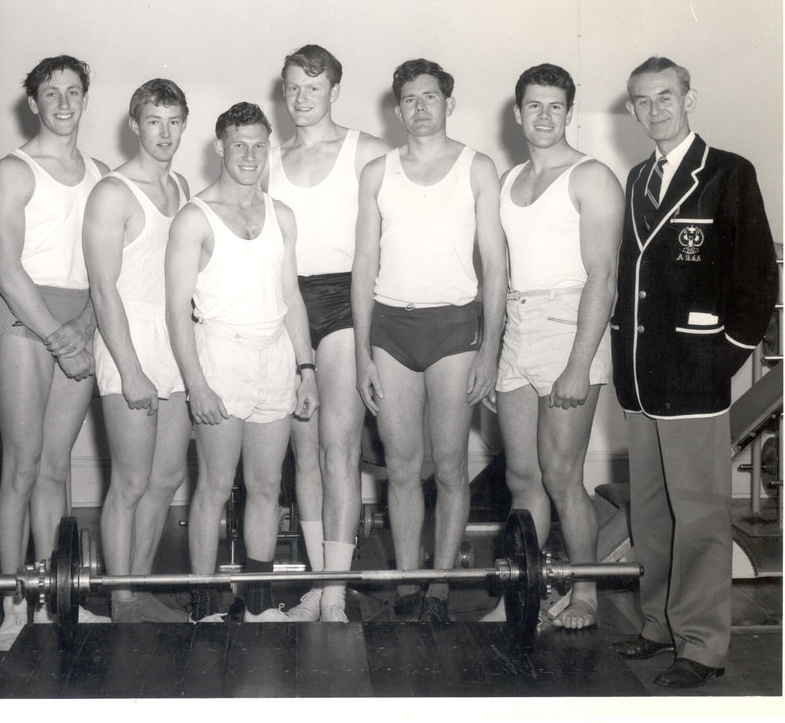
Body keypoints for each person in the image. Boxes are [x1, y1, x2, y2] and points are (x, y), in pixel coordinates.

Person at [610, 57, 777, 688]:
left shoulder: (729, 173)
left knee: (701, 515)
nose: (655, 110)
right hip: (639, 379)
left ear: (689, 99)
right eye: (642, 101)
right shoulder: (633, 179)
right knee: (651, 513)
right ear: (631, 109)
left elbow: (759, 279)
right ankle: (658, 626)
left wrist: (723, 355)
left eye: (666, 98)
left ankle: (702, 645)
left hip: (696, 376)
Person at [352, 59, 506, 623]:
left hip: (453, 330)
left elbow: (495, 264)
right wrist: (363, 351)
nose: (420, 107)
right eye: (410, 99)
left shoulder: (477, 168)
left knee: (448, 466)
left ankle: (439, 585)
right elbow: (364, 265)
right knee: (401, 465)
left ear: (448, 104)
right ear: (397, 110)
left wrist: (490, 349)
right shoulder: (377, 172)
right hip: (392, 329)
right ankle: (409, 580)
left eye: (431, 97)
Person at [165, 102, 319, 623]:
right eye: (239, 145)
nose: (249, 155)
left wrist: (306, 369)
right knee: (213, 485)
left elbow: (292, 297)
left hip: (274, 354)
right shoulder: (195, 217)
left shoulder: (281, 215)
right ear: (219, 148)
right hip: (220, 355)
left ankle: (256, 600)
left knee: (267, 486)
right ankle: (205, 602)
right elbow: (175, 310)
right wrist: (197, 384)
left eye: (258, 145)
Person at [485, 63, 623, 630]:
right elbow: (499, 273)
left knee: (562, 474)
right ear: (517, 113)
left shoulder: (591, 178)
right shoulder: (509, 181)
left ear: (570, 113)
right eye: (533, 106)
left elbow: (604, 278)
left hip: (571, 326)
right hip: (519, 326)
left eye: (555, 107)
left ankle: (586, 594)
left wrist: (578, 364)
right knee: (522, 477)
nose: (544, 116)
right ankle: (524, 592)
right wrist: (494, 353)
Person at [0, 55, 111, 650]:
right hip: (23, 320)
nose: (63, 103)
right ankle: (15, 600)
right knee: (22, 463)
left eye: (73, 92)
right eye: (50, 93)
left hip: (79, 319)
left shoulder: (101, 174)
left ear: (86, 100)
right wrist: (59, 337)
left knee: (56, 470)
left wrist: (85, 324)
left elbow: (104, 271)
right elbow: (8, 271)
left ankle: (55, 597)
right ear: (32, 103)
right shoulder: (12, 172)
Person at [265, 45, 390, 622]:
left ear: (335, 91)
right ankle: (319, 583)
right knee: (304, 452)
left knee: (339, 449)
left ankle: (337, 591)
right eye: (292, 87)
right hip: (287, 304)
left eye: (312, 88)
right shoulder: (266, 156)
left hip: (344, 300)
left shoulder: (367, 151)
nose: (300, 98)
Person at [82, 79, 193, 623]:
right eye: (154, 121)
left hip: (175, 338)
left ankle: (138, 586)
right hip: (128, 337)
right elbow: (103, 289)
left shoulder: (184, 187)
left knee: (166, 477)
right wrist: (128, 368)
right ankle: (120, 600)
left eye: (174, 121)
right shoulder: (112, 191)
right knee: (129, 481)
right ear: (135, 125)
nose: (165, 132)